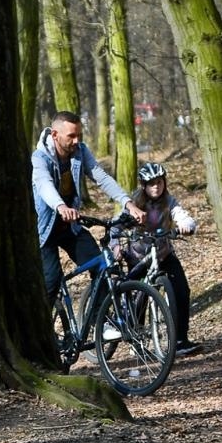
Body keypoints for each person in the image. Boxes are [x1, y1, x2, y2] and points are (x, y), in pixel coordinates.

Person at [31, 111, 144, 294]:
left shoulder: (80, 151)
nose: (76, 141)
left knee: (101, 267)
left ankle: (101, 320)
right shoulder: (39, 157)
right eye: (71, 136)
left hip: (70, 227)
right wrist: (61, 206)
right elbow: (44, 184)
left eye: (79, 136)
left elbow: (101, 177)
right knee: (51, 281)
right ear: (54, 135)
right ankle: (42, 322)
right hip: (44, 231)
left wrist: (128, 204)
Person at [130, 162, 201, 356]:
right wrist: (117, 245)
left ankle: (180, 340)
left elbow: (183, 216)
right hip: (138, 256)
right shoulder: (134, 201)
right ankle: (136, 341)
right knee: (139, 296)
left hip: (163, 253)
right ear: (143, 185)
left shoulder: (169, 201)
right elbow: (119, 225)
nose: (156, 187)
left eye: (159, 182)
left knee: (181, 290)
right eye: (151, 183)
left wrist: (186, 226)